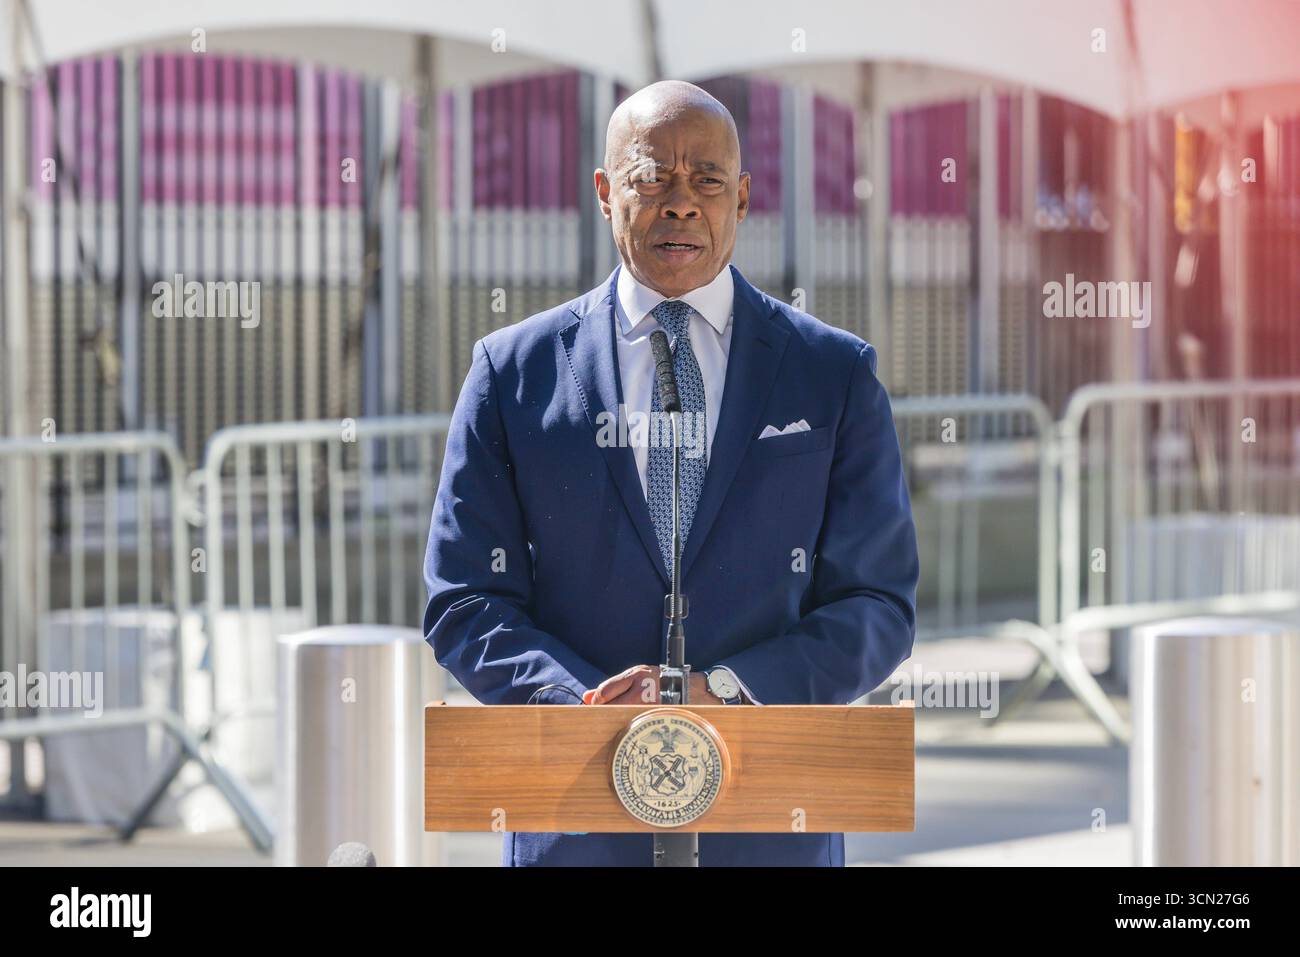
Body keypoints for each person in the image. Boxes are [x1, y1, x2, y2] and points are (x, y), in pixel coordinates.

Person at [423, 80, 919, 866]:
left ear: (744, 199)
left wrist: (720, 690)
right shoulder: (510, 374)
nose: (680, 203)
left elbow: (879, 602)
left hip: (771, 831)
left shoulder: (833, 373)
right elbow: (464, 600)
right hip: (573, 829)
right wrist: (590, 703)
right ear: (604, 192)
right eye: (651, 176)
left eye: (708, 181)